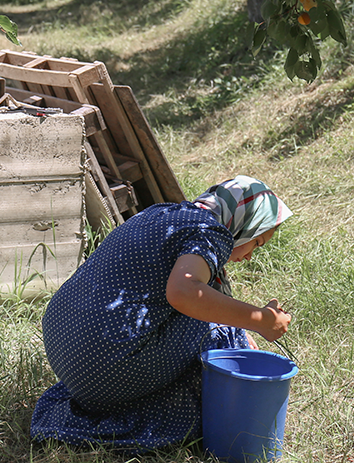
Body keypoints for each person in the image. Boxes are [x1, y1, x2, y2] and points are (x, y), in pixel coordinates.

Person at [30, 175, 293, 450]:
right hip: (104, 365)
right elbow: (184, 293)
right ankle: (200, 413)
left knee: (216, 318)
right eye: (257, 242)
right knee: (214, 328)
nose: (251, 254)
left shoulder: (161, 214)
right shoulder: (210, 231)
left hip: (65, 348)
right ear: (244, 223)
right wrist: (260, 320)